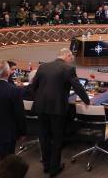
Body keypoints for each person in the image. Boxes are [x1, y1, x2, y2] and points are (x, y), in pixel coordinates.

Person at [31, 49, 90, 177]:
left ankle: (46, 166)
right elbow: (77, 86)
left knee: (44, 137)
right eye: (71, 58)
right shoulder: (68, 69)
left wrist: (40, 98)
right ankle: (54, 168)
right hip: (57, 108)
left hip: (41, 107)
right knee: (57, 138)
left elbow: (33, 86)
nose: (71, 61)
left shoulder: (43, 66)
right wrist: (87, 101)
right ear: (67, 55)